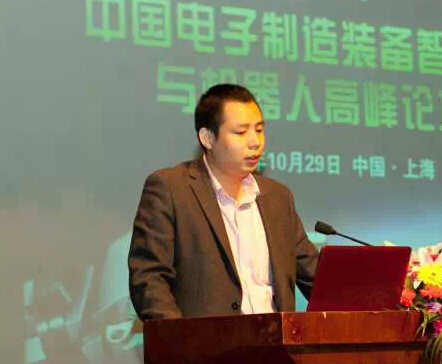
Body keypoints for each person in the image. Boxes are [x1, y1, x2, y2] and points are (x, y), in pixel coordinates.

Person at [128, 84, 319, 320]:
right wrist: (182, 338)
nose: (255, 142)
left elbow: (316, 278)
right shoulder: (171, 189)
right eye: (241, 132)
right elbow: (149, 279)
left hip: (276, 341)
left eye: (259, 130)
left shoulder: (278, 197)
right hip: (203, 342)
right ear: (208, 138)